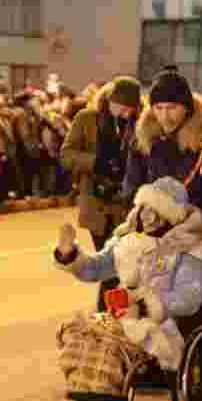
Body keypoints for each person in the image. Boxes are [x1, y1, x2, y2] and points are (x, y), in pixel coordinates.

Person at [29, 177, 202, 401]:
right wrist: (68, 252)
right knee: (79, 339)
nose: (147, 216)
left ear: (170, 216)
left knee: (107, 355)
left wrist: (146, 302)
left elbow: (190, 298)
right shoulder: (128, 243)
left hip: (156, 328)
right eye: (144, 209)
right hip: (120, 322)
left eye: (155, 211)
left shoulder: (189, 251)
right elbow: (94, 268)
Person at [123, 65, 202, 399]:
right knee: (152, 319)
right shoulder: (143, 142)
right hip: (155, 250)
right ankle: (161, 375)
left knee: (196, 327)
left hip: (201, 250)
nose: (165, 115)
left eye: (172, 107)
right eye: (159, 107)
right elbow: (131, 191)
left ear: (187, 107)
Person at [61, 76, 142, 311]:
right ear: (110, 100)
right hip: (97, 207)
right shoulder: (87, 119)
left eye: (132, 109)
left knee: (122, 272)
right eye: (123, 108)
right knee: (111, 270)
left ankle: (109, 323)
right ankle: (104, 323)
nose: (127, 114)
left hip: (126, 207)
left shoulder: (139, 123)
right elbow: (66, 155)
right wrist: (95, 162)